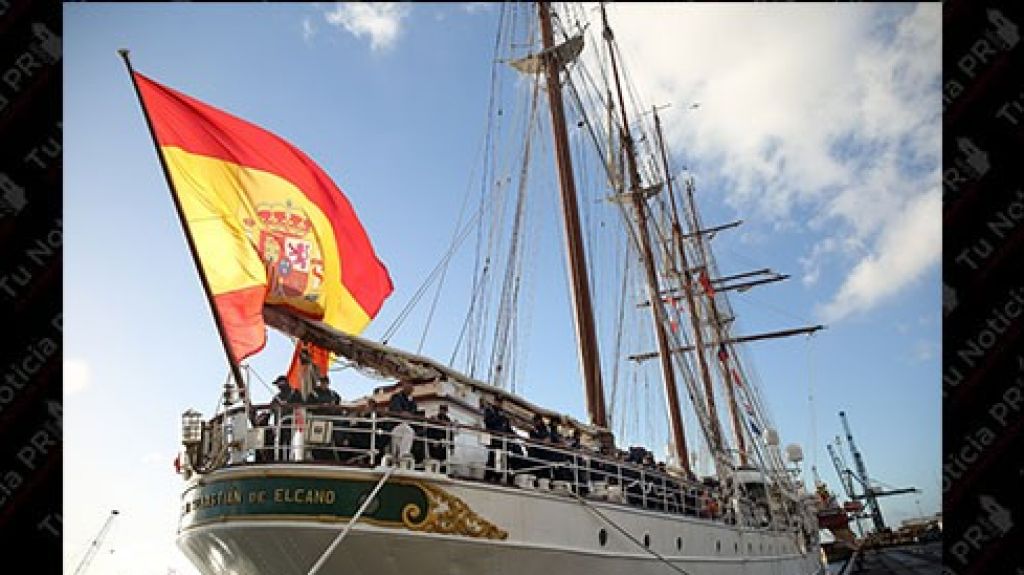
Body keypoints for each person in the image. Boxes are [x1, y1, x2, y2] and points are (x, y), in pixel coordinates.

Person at [483, 397, 512, 482]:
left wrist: (514, 435)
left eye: (500, 402)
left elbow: (508, 428)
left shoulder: (503, 415)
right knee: (493, 458)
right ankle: (489, 476)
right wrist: (499, 417)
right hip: (494, 439)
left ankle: (498, 476)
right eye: (498, 402)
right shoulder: (490, 411)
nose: (499, 404)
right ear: (495, 402)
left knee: (501, 459)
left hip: (502, 441)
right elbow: (488, 422)